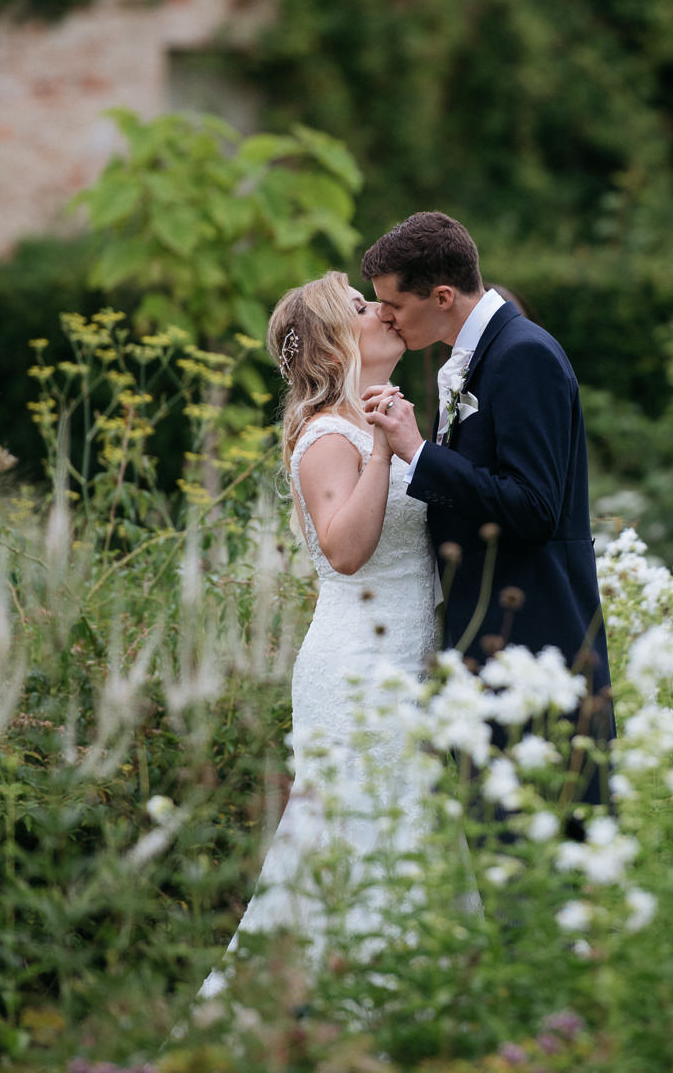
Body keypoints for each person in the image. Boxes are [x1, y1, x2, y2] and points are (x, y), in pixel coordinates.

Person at [201, 271, 437, 995]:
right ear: (338, 343)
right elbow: (343, 547)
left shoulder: (376, 416)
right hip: (359, 666)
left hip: (405, 659)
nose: (385, 313)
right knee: (353, 844)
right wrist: (380, 449)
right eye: (365, 308)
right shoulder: (329, 435)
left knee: (408, 837)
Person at [359, 212, 616, 813]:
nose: (387, 317)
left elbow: (534, 508)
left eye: (393, 304)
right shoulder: (478, 356)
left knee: (542, 849)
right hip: (493, 650)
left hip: (535, 646)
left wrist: (419, 454)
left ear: (442, 296)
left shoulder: (523, 355)